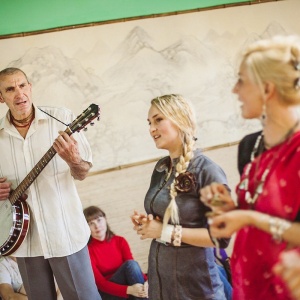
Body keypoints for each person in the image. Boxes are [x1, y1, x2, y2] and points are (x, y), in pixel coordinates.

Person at [200, 35, 300, 300]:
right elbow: (262, 214)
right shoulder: (249, 147)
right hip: (249, 283)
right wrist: (231, 210)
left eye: (241, 80)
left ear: (267, 89)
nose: (235, 90)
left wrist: (247, 218)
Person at [0, 67, 101, 300]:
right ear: (1, 97)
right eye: (10, 89)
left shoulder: (62, 118)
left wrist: (73, 160)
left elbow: (83, 171)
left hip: (65, 234)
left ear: (30, 87)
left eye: (23, 85)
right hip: (23, 241)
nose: (19, 93)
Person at [131, 94, 232, 300]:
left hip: (198, 290)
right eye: (149, 123)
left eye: (158, 120)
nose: (151, 129)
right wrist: (150, 223)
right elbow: (167, 217)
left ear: (180, 119)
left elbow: (221, 237)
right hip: (163, 286)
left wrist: (164, 231)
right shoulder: (161, 169)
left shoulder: (209, 171)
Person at [83, 206, 148, 300]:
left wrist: (147, 282)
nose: (97, 226)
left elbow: (134, 269)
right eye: (91, 223)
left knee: (133, 267)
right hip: (108, 293)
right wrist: (129, 290)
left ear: (105, 219)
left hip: (130, 286)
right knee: (130, 265)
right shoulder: (87, 251)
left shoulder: (120, 241)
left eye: (99, 220)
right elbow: (101, 284)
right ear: (86, 228)